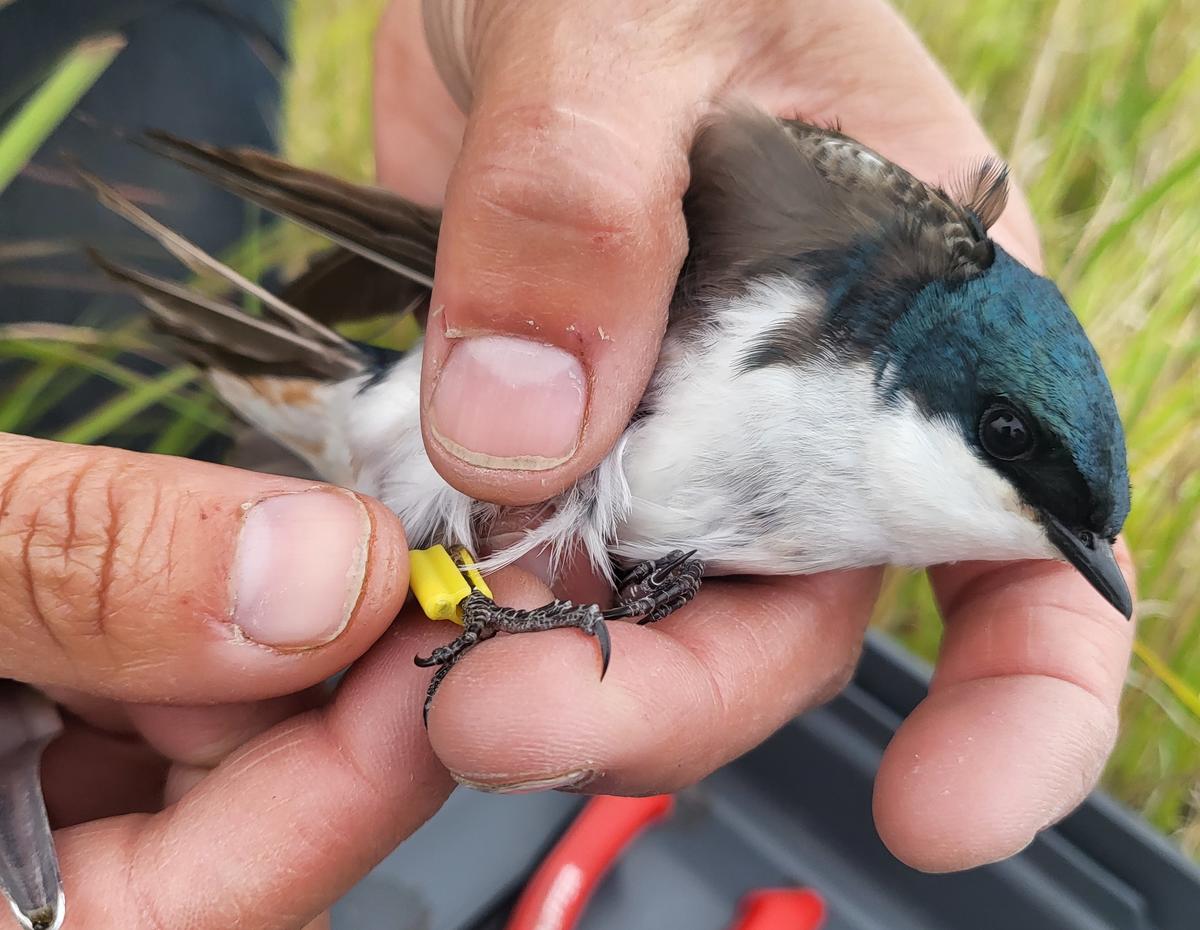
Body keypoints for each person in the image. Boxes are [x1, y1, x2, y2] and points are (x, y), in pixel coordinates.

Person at [0, 0, 1136, 927]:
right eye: (1011, 456)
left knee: (151, 513)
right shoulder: (863, 272)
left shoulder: (875, 506)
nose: (1066, 550)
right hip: (410, 435)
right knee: (97, 379)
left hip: (394, 522)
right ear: (963, 405)